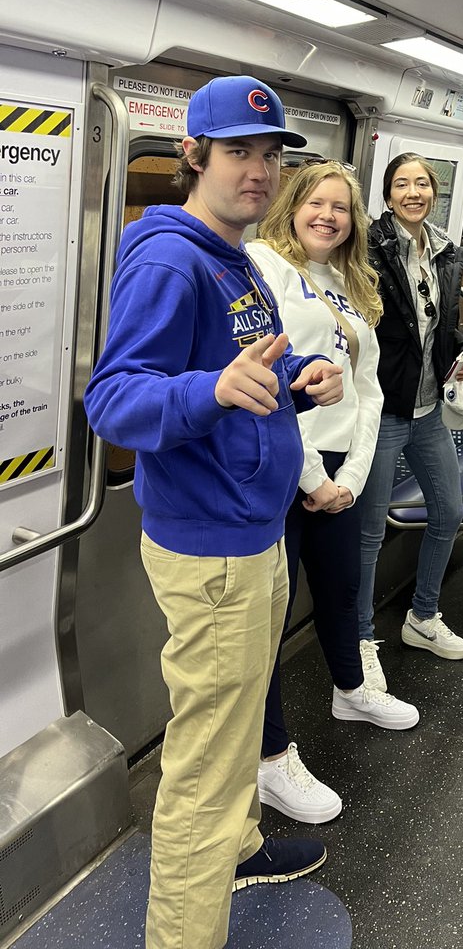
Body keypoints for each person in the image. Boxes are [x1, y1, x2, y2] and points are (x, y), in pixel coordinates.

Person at [83, 76, 344, 949]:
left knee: (231, 739)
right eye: (239, 152)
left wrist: (292, 385)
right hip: (215, 551)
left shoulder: (234, 256)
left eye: (271, 155)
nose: (260, 171)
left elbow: (238, 385)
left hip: (251, 533)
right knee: (204, 762)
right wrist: (209, 388)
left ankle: (235, 846)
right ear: (193, 156)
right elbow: (116, 401)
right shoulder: (170, 259)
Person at [248, 161, 420, 825]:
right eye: (317, 203)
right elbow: (264, 380)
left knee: (343, 587)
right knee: (269, 613)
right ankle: (269, 759)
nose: (328, 215)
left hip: (338, 469)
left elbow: (369, 389)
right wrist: (313, 477)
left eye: (341, 207)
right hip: (281, 465)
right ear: (291, 206)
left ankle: (350, 690)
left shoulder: (349, 282)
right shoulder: (263, 266)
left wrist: (348, 479)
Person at [357, 152, 463, 687]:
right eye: (402, 184)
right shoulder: (367, 248)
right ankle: (359, 639)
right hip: (385, 410)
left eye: (423, 184)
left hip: (429, 408)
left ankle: (422, 616)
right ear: (388, 196)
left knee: (449, 512)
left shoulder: (446, 251)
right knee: (367, 536)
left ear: (434, 193)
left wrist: (462, 349)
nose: (414, 192)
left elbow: (440, 322)